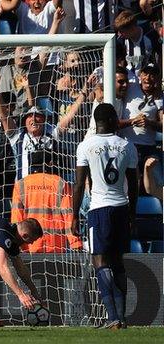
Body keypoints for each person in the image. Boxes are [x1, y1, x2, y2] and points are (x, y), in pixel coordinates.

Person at [72, 103, 138, 329]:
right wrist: (132, 214)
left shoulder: (85, 146)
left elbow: (79, 184)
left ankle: (112, 316)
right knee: (118, 262)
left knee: (99, 260)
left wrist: (73, 216)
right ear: (111, 120)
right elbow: (135, 184)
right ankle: (122, 316)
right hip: (121, 207)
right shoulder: (127, 145)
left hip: (99, 209)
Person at [11, 150, 83, 253]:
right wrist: (75, 243)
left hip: (30, 245)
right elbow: (68, 215)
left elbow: (17, 218)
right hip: (56, 245)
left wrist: (18, 245)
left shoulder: (20, 185)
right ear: (50, 163)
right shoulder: (59, 182)